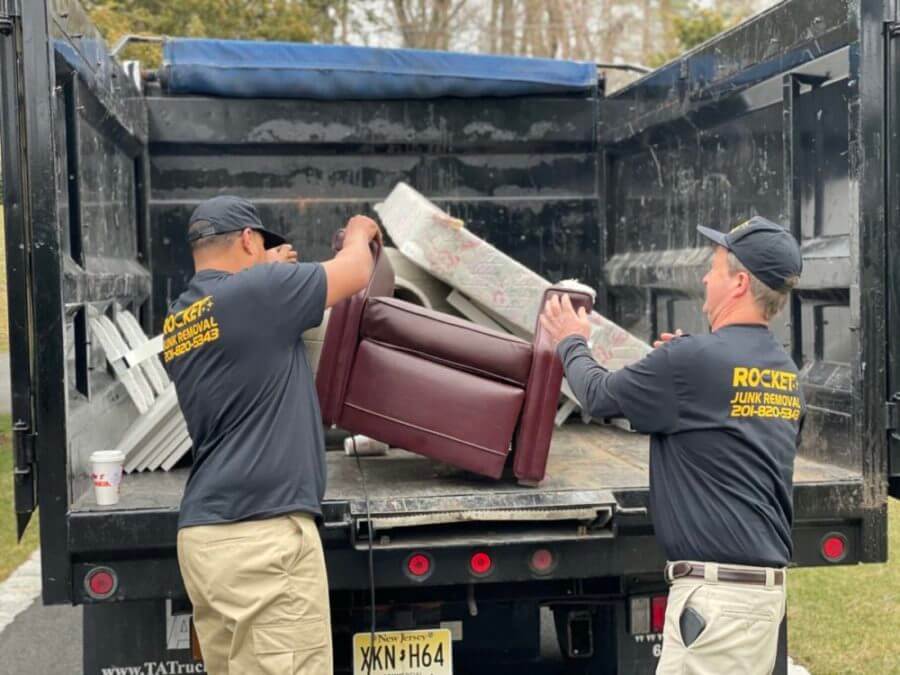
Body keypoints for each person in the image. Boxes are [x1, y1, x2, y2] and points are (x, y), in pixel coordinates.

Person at [540, 216, 805, 675]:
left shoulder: (691, 362)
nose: (705, 276)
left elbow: (599, 395)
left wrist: (570, 341)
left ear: (740, 283)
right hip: (759, 600)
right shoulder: (785, 372)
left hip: (717, 603)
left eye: (715, 267)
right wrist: (679, 365)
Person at [162, 195, 382, 674]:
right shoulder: (261, 292)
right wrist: (360, 230)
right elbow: (355, 270)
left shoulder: (181, 317)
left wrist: (266, 264)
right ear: (247, 239)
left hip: (206, 539)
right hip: (263, 542)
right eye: (262, 244)